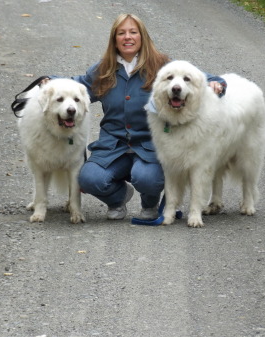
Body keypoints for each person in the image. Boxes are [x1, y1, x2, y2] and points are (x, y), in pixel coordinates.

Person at [48, 14, 226, 220]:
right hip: (112, 147)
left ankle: (149, 204)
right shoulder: (103, 69)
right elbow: (77, 86)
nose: (127, 37)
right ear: (114, 39)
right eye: (121, 33)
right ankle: (118, 199)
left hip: (149, 146)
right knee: (88, 179)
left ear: (143, 37)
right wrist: (49, 81)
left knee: (147, 178)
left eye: (133, 32)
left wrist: (216, 83)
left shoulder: (162, 66)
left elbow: (198, 76)